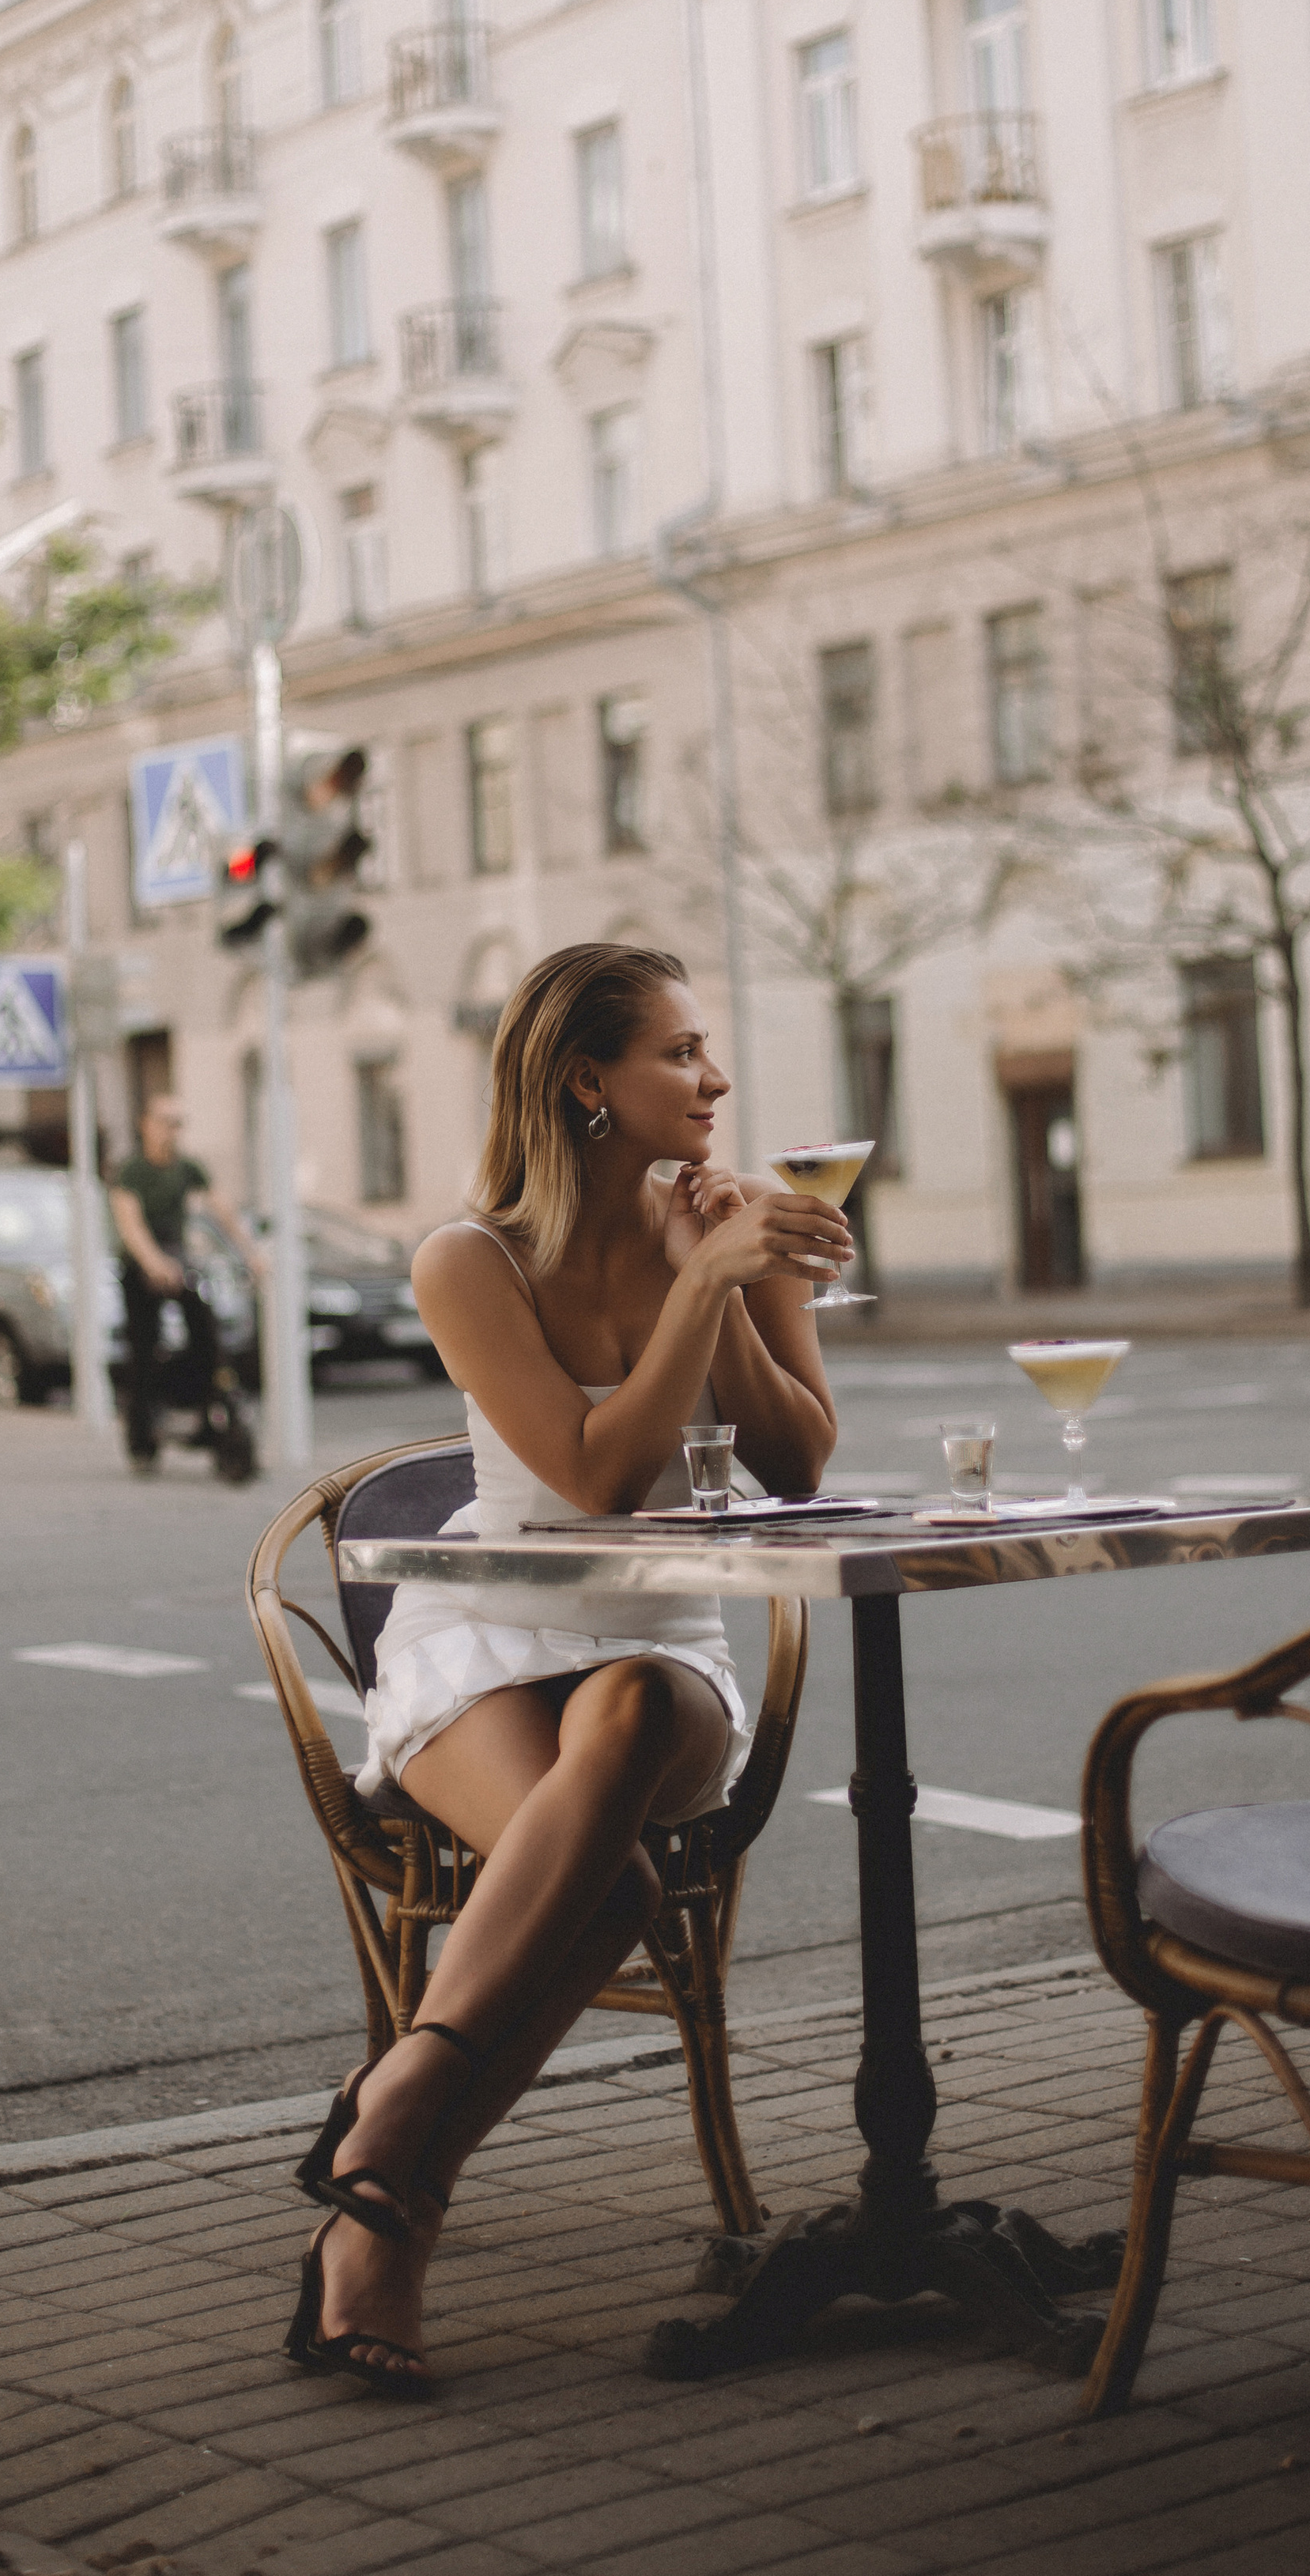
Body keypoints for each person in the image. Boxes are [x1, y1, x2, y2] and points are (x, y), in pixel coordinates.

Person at [287, 941, 854, 2400]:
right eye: (679, 1053)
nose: (714, 1080)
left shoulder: (724, 1226)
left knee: (628, 1704)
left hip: (665, 1646)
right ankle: (393, 2202)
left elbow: (794, 1464)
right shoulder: (465, 1260)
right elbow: (597, 1478)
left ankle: (397, 2107)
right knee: (614, 1885)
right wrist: (702, 1284)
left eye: (707, 1049)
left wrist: (721, 1278)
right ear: (587, 1081)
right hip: (480, 1639)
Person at [108, 1096, 262, 1470]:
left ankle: (209, 1421)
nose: (172, 1132)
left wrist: (251, 1251)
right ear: (146, 1124)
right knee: (144, 1350)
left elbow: (221, 1209)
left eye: (178, 1124)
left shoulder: (187, 1168)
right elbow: (131, 1225)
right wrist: (153, 1262)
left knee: (208, 1341)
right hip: (141, 1266)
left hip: (178, 1259)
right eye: (165, 1122)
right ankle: (141, 1443)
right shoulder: (131, 1171)